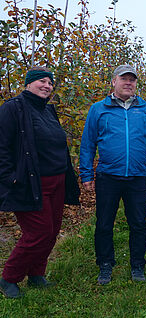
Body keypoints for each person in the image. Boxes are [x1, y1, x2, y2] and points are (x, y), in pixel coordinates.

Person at [79, 65, 146, 285]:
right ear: (113, 82)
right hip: (108, 176)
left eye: (132, 80)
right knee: (104, 223)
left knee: (138, 223)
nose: (129, 83)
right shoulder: (98, 110)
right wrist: (86, 173)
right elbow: (88, 144)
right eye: (124, 79)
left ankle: (137, 265)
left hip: (137, 177)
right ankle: (105, 264)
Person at [0, 67, 80, 299]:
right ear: (28, 84)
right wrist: (9, 177)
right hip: (30, 183)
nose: (46, 86)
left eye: (50, 83)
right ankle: (8, 277)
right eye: (41, 81)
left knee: (52, 231)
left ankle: (36, 274)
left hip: (57, 181)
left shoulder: (47, 111)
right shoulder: (12, 108)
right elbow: (2, 147)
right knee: (38, 232)